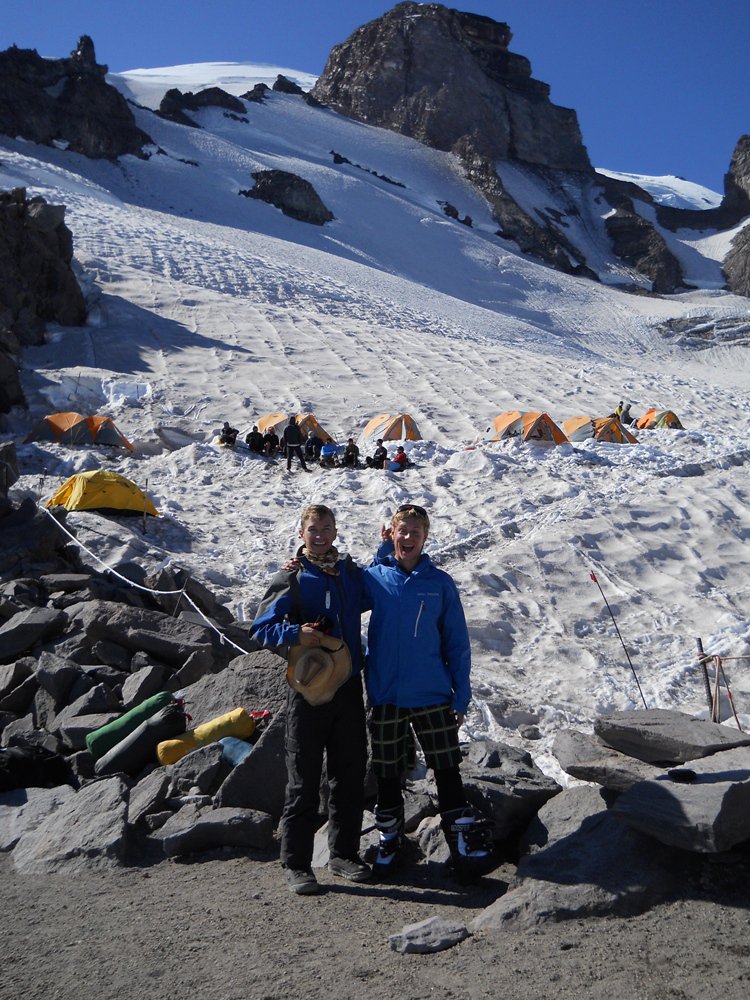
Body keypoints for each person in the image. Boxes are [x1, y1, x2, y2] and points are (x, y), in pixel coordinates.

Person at [362, 504, 493, 881]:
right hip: (386, 695)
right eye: (402, 531)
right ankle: (390, 840)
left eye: (415, 532)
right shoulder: (375, 578)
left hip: (433, 694)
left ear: (425, 537)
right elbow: (344, 597)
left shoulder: (440, 583)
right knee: (387, 774)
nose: (408, 538)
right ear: (393, 534)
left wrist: (460, 696)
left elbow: (457, 643)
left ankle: (461, 844)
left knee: (447, 770)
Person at [249, 504, 371, 895]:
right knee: (303, 777)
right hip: (308, 690)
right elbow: (260, 627)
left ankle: (344, 854)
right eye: (313, 529)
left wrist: (387, 551)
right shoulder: (292, 577)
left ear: (335, 532)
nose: (320, 535)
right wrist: (293, 634)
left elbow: (379, 589)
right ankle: (297, 863)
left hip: (349, 686)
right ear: (302, 533)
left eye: (326, 528)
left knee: (349, 774)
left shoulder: (349, 573)